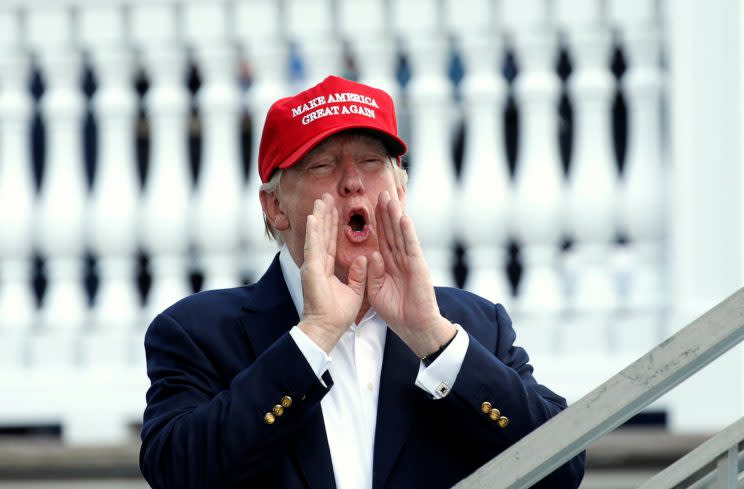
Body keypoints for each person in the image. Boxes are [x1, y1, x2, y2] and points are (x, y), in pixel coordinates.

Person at [139, 75, 585, 489]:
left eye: (372, 162)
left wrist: (433, 339)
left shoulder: (473, 325)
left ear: (400, 191)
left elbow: (562, 469)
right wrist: (312, 340)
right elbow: (176, 472)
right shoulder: (197, 332)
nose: (353, 182)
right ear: (275, 207)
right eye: (322, 166)